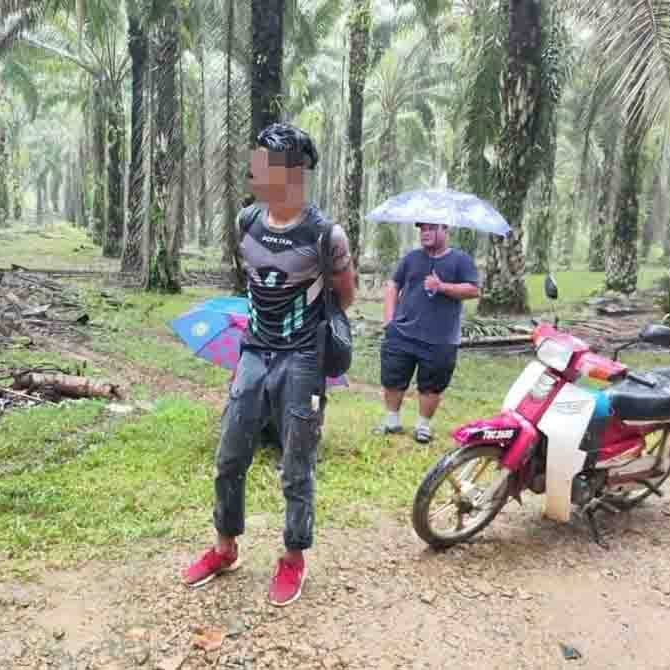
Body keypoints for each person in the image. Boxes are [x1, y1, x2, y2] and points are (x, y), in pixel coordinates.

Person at [182, 123, 355, 607]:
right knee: (229, 456)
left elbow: (346, 293)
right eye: (257, 163)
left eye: (270, 166)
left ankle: (292, 558)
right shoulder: (247, 222)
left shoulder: (326, 235)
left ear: (296, 175)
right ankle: (225, 547)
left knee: (296, 466)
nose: (258, 173)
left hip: (303, 360)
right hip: (253, 353)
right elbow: (256, 282)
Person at [379, 222, 478, 443]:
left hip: (441, 337)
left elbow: (473, 289)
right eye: (422, 229)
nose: (425, 233)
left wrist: (442, 287)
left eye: (431, 228)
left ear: (446, 230)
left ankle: (423, 426)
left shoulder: (461, 260)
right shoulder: (412, 258)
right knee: (393, 377)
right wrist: (389, 319)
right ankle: (391, 421)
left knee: (432, 384)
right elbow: (393, 284)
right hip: (403, 331)